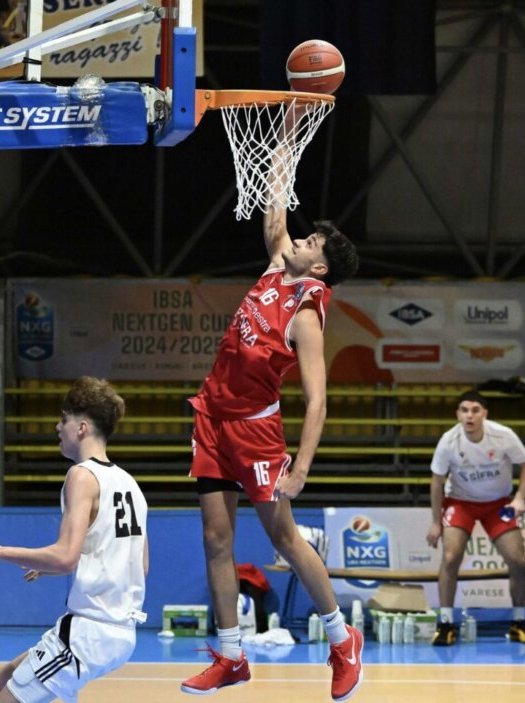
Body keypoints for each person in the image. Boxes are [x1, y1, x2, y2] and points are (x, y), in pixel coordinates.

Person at [180, 199, 361, 700]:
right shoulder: (277, 270)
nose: (298, 240)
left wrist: (300, 469)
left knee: (283, 538)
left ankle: (343, 641)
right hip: (213, 417)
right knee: (216, 540)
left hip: (256, 433)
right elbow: (276, 216)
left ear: (319, 267)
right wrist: (283, 134)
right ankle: (232, 657)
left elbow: (317, 400)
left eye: (310, 243)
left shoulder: (305, 315)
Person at [0, 377, 148, 703]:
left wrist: (1, 552)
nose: (58, 427)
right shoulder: (130, 485)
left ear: (82, 427)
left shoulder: (82, 475)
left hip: (90, 630)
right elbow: (139, 563)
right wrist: (51, 566)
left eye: (64, 419)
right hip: (121, 632)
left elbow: (66, 557)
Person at [426, 391, 525, 645]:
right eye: (464, 410)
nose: (469, 415)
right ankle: (445, 623)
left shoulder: (503, 436)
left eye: (475, 410)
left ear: (484, 413)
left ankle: (519, 622)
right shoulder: (448, 441)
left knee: (518, 560)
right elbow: (436, 482)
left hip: (497, 503)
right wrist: (436, 521)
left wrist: (520, 497)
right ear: (458, 414)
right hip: (460, 501)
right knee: (450, 556)